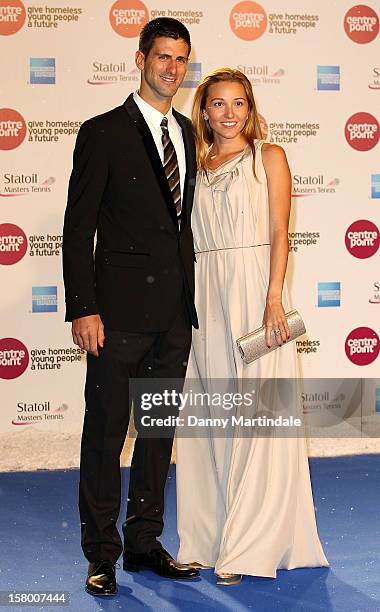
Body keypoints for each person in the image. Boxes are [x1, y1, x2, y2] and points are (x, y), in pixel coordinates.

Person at [62, 17, 200, 597]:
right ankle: (101, 554)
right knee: (105, 435)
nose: (171, 69)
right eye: (162, 57)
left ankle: (144, 544)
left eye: (180, 60)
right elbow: (78, 227)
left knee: (157, 435)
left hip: (173, 318)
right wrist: (83, 308)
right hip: (115, 318)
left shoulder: (189, 135)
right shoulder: (103, 132)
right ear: (139, 59)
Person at [176, 68, 328, 585]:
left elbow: (281, 232)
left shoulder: (270, 158)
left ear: (251, 107)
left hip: (255, 294)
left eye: (238, 103)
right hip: (204, 293)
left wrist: (273, 301)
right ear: (204, 111)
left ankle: (247, 544)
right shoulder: (194, 165)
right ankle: (208, 536)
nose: (229, 114)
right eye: (217, 104)